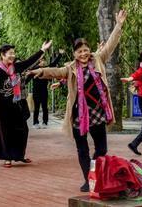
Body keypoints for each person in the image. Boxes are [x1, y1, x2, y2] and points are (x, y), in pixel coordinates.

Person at [29, 10, 127, 192]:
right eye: (79, 51)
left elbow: (111, 44)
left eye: (85, 50)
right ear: (74, 54)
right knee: (82, 150)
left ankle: (94, 169)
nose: (83, 54)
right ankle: (87, 179)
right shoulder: (70, 67)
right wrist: (38, 71)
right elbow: (55, 71)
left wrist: (119, 25)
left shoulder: (98, 59)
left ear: (90, 50)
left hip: (97, 112)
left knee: (102, 149)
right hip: (78, 115)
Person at [0, 40, 52, 168]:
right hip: (2, 104)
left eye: (13, 53)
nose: (12, 56)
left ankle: (19, 155)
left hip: (15, 102)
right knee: (5, 131)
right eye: (10, 53)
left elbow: (30, 61)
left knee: (22, 129)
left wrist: (42, 50)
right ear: (3, 55)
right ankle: (7, 158)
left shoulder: (16, 67)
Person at [32, 50, 63, 129]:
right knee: (36, 108)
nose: (43, 62)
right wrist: (38, 59)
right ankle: (35, 122)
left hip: (44, 91)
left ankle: (45, 122)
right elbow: (31, 65)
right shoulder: (34, 69)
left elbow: (53, 64)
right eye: (41, 60)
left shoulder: (47, 69)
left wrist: (60, 54)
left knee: (45, 107)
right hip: (36, 91)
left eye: (44, 60)